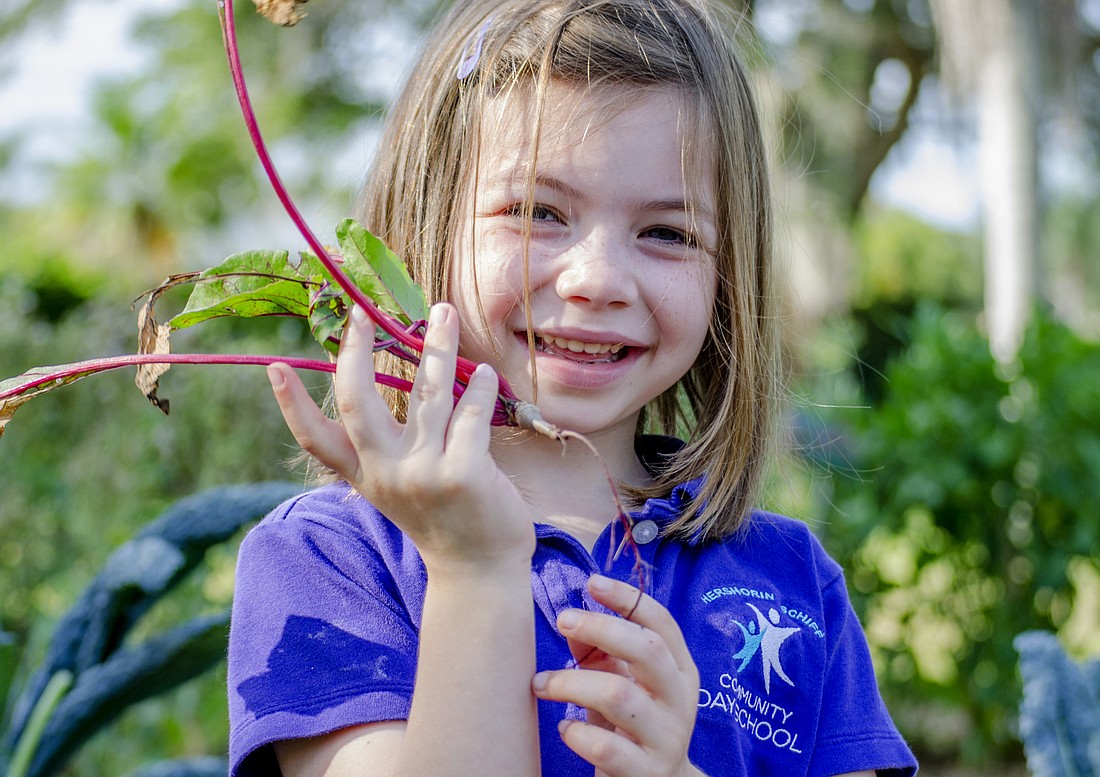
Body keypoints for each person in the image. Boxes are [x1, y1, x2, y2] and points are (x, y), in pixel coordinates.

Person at [226, 0, 919, 775]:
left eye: (667, 232)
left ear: (729, 273)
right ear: (427, 223)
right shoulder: (329, 559)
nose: (597, 279)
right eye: (537, 212)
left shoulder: (793, 580)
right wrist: (472, 571)